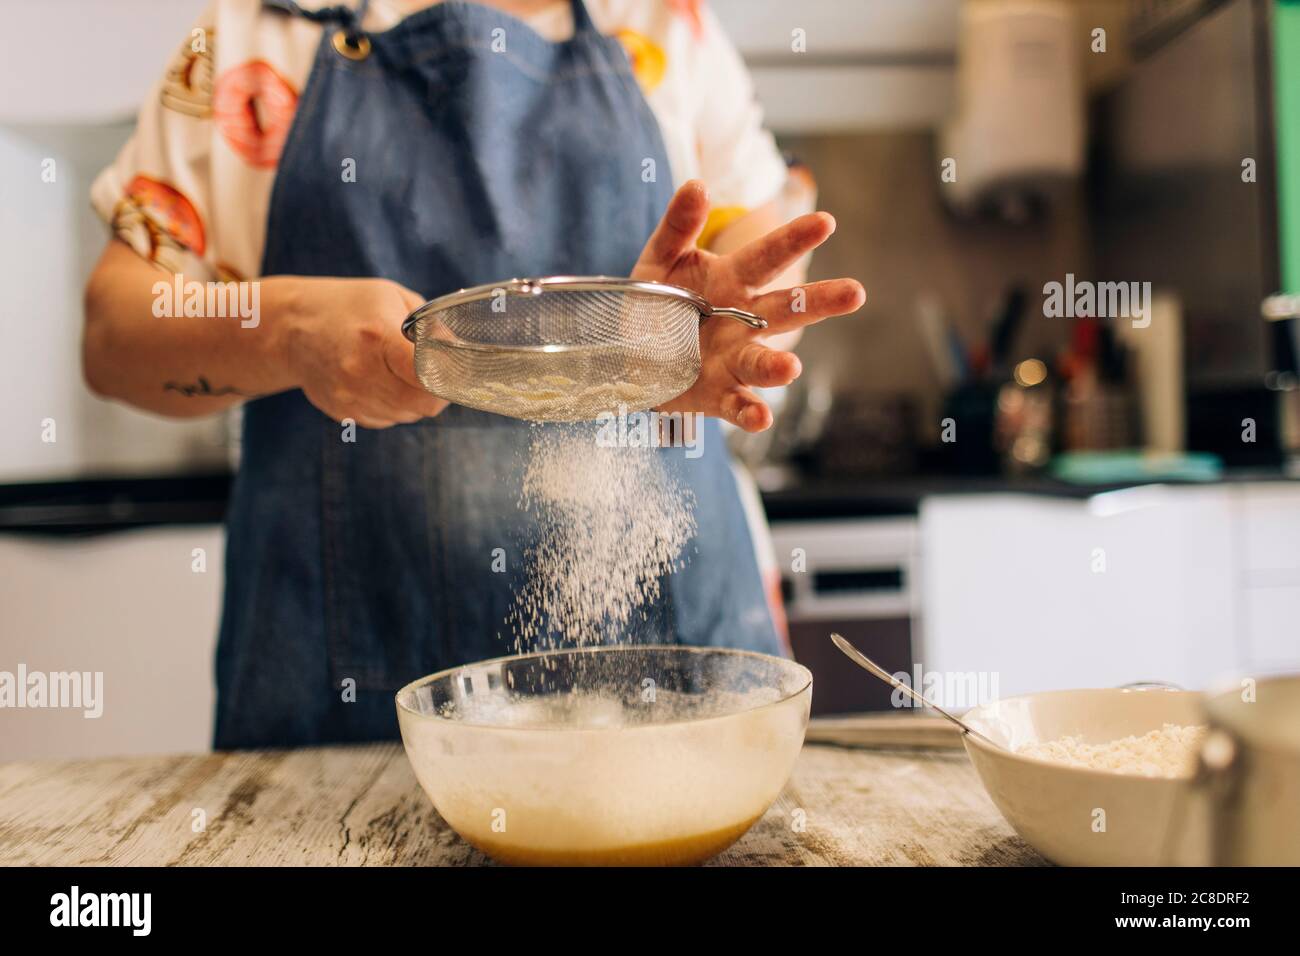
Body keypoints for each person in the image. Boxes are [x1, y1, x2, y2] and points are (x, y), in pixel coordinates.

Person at [82, 0, 865, 748]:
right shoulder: (256, 31)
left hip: (671, 684)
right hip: (345, 712)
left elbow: (758, 226)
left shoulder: (661, 21)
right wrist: (285, 328)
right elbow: (114, 334)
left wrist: (723, 315)